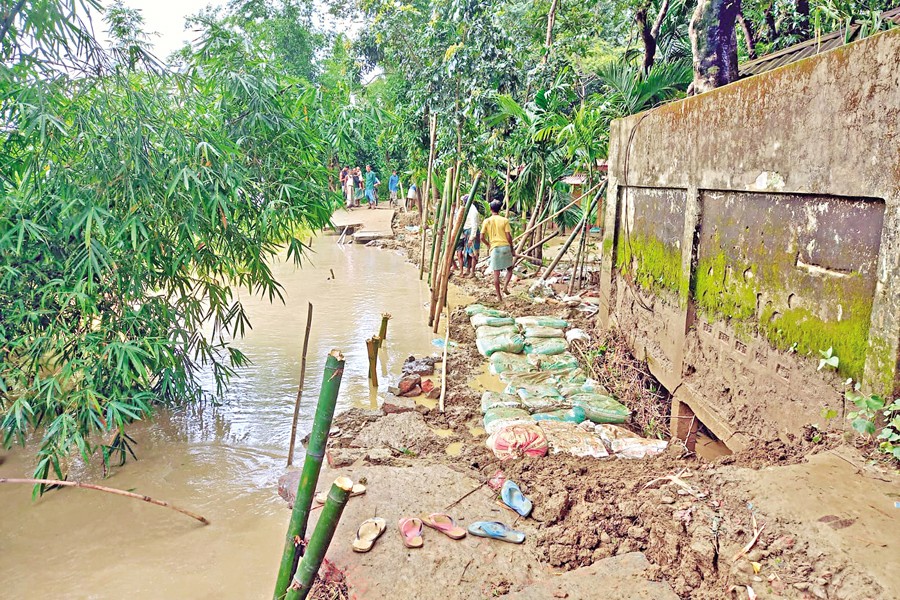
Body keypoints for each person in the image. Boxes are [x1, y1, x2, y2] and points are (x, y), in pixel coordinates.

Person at [480, 200, 515, 300]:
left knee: (496, 274)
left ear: (490, 209)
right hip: (505, 247)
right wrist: (512, 248)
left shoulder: (487, 221)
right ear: (500, 209)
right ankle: (505, 287)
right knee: (510, 269)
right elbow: (508, 236)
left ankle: (499, 297)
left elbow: (481, 237)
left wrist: (488, 245)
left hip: (495, 248)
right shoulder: (504, 220)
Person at [462, 201, 481, 277]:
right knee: (468, 252)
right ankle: (468, 270)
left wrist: (471, 237)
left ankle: (472, 272)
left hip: (472, 232)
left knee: (473, 253)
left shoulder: (473, 211)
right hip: (468, 232)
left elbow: (474, 225)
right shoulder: (469, 209)